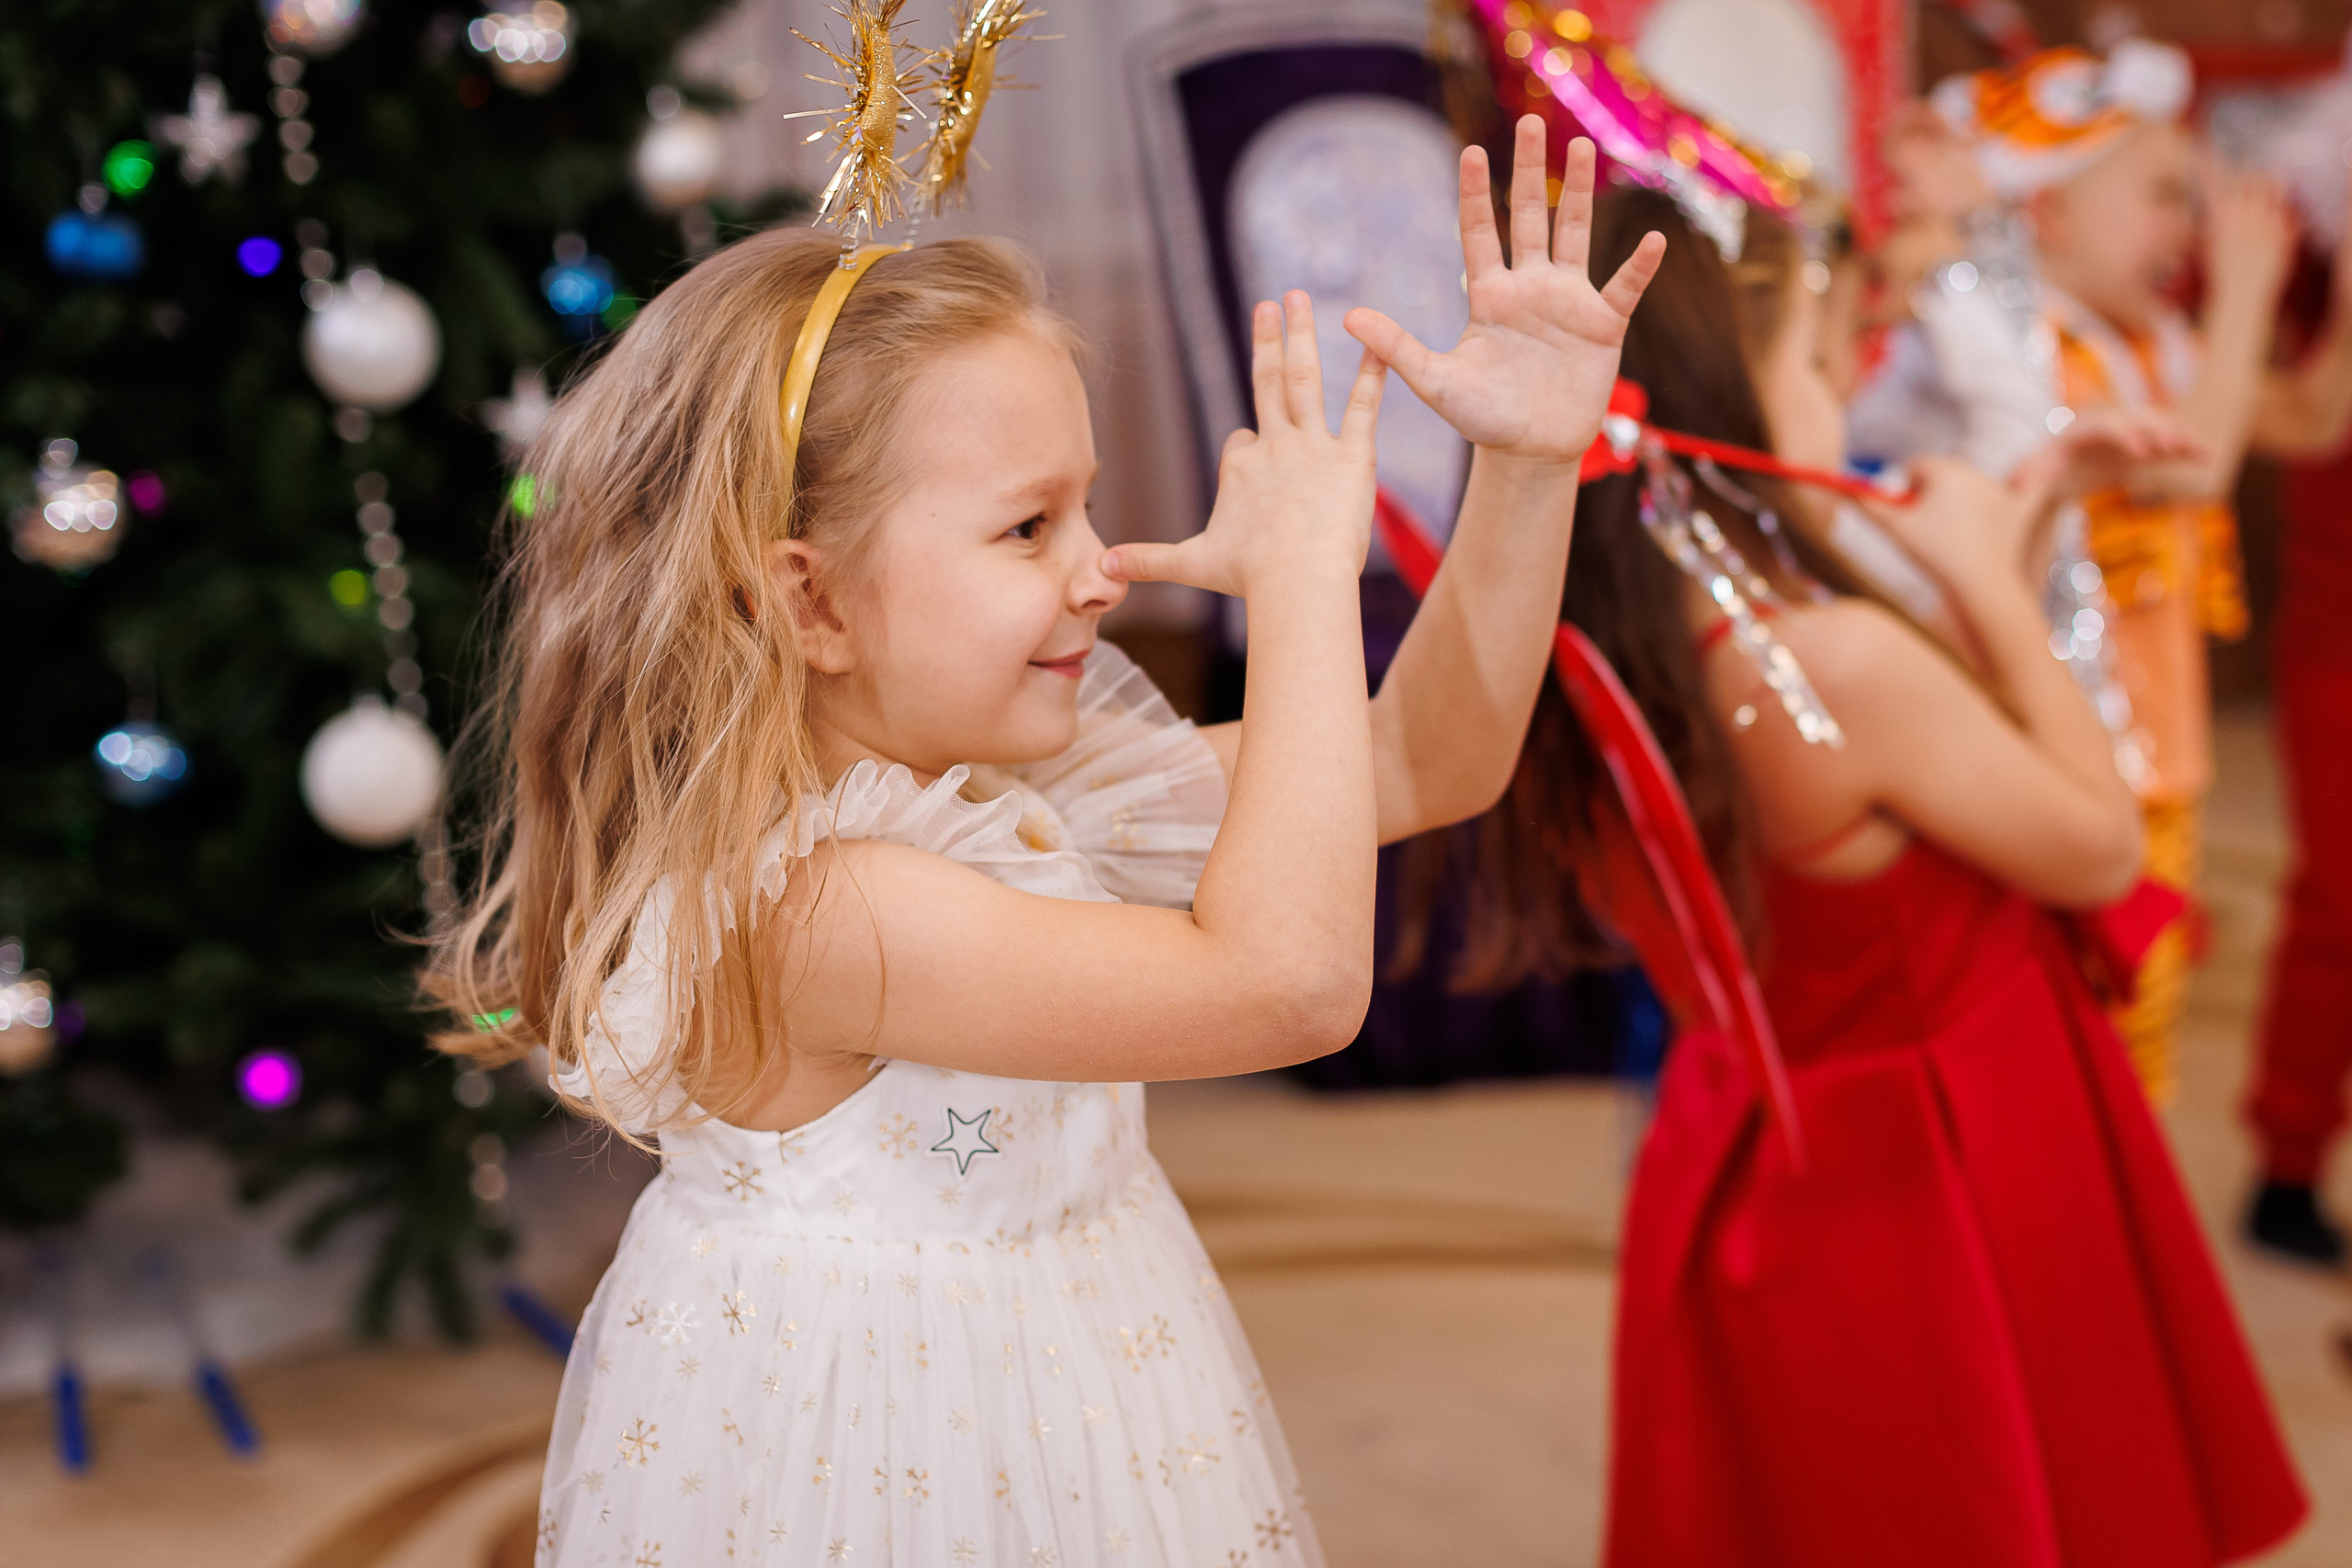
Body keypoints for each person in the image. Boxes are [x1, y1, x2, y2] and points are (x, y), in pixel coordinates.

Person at [423, 120, 1660, 1566]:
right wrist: (1306, 588)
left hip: (1086, 1363)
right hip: (891, 1453)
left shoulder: (1023, 792)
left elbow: (1417, 755)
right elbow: (1291, 985)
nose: (1102, 571)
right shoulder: (829, 908)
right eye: (1027, 528)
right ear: (807, 603)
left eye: (1085, 505)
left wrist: (1522, 469)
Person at [1427, 182, 2305, 1565]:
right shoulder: (1826, 666)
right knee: (1980, 1481)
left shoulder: (1589, 658)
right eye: (1831, 366)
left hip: (1759, 1146)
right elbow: (2096, 843)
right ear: (1733, 405)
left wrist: (2031, 511)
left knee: (1828, 1494)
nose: (1854, 394)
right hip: (1946, 1160)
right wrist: (2009, 592)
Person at [1932, 41, 2352, 1105]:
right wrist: (2251, 289)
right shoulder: (2027, 358)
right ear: (2048, 218)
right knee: (2070, 1039)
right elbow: (2194, 467)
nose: (2192, 229)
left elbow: (2307, 418)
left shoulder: (2159, 343)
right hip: (2070, 756)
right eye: (2166, 196)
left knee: (2144, 1027)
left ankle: (2120, 1248)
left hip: (2166, 755)